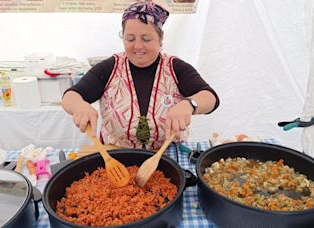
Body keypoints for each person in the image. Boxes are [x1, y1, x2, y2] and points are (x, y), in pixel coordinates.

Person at [62, 2, 219, 150]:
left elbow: (210, 97)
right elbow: (71, 96)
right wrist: (79, 106)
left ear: (161, 39)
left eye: (146, 39)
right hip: (116, 155)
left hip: (167, 153)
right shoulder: (110, 68)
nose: (137, 46)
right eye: (130, 39)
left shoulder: (175, 68)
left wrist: (189, 104)